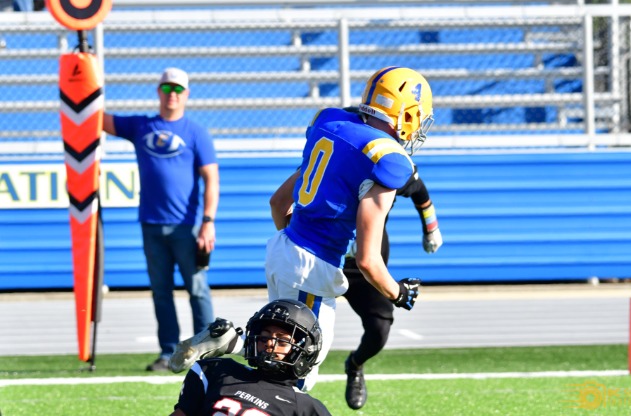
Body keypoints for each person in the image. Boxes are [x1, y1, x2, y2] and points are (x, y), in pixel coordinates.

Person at [169, 66, 433, 390]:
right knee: (298, 372)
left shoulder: (330, 124)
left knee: (275, 356)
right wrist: (399, 293)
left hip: (283, 248)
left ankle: (228, 340)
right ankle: (224, 356)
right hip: (314, 267)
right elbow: (367, 260)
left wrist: (293, 248)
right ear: (406, 115)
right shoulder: (388, 159)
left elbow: (278, 202)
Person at [103, 67, 219, 372]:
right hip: (151, 224)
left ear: (186, 94)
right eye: (167, 88)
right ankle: (168, 353)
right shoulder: (141, 126)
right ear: (158, 91)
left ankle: (207, 352)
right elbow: (99, 119)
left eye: (178, 89)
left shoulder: (196, 132)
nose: (172, 94)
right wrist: (81, 88)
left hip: (187, 226)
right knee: (161, 291)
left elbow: (212, 178)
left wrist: (208, 221)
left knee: (197, 289)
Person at [342, 165, 443, 410]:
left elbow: (418, 189)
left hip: (365, 264)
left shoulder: (385, 162)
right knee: (298, 327)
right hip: (323, 258)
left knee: (379, 329)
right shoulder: (328, 157)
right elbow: (286, 202)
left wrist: (431, 227)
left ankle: (355, 364)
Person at [169, 299, 332, 416]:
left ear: (304, 351)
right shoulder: (216, 371)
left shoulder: (306, 407)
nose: (270, 343)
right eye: (264, 337)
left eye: (282, 341)